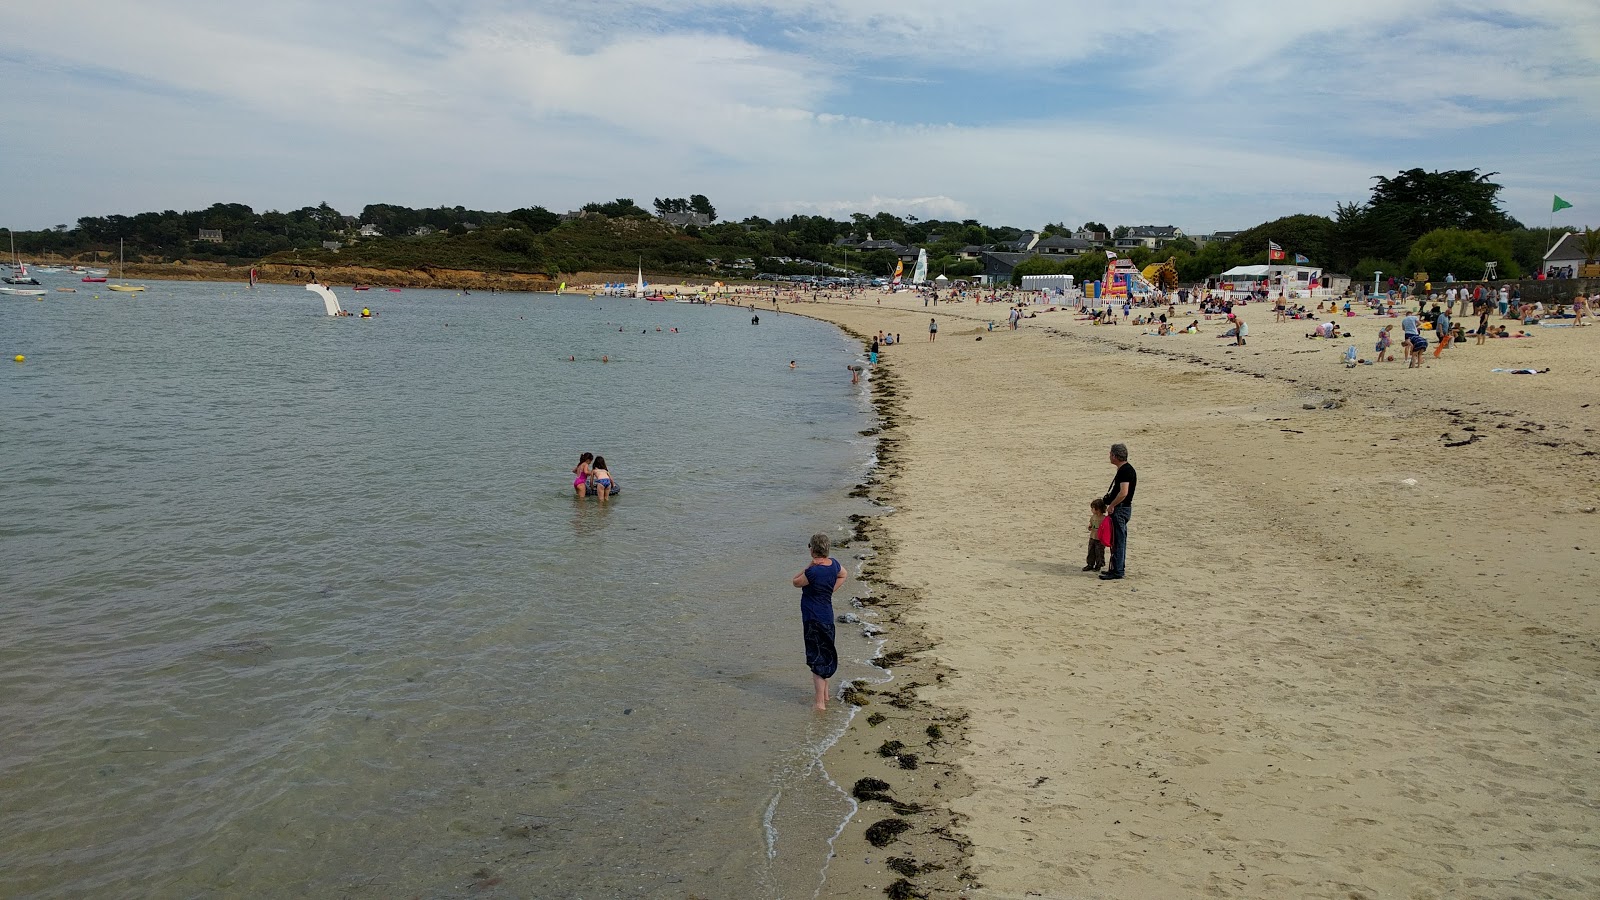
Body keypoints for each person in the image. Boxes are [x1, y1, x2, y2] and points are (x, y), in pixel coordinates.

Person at [791, 533, 847, 710]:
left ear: (812, 550)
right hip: (827, 617)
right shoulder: (834, 565)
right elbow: (844, 575)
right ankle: (825, 695)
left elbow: (795, 582)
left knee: (816, 660)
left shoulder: (813, 571)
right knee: (826, 654)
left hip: (813, 619)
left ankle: (819, 703)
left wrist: (808, 566)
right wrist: (830, 590)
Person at [1099, 444, 1136, 580]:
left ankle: (1117, 570)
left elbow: (1123, 492)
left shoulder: (1126, 471)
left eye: (1110, 454)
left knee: (1118, 540)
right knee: (1118, 539)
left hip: (1121, 509)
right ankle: (1116, 568)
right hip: (1122, 508)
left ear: (1115, 456)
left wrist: (1112, 505)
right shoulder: (1126, 469)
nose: (1109, 456)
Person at [1084, 498, 1110, 572]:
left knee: (1099, 552)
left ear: (1098, 509)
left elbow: (1106, 529)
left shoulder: (1104, 519)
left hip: (1100, 539)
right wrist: (1090, 527)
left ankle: (1099, 565)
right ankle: (1090, 564)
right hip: (1093, 537)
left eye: (1093, 508)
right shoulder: (1093, 517)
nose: (1092, 510)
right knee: (1091, 551)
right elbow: (1091, 524)